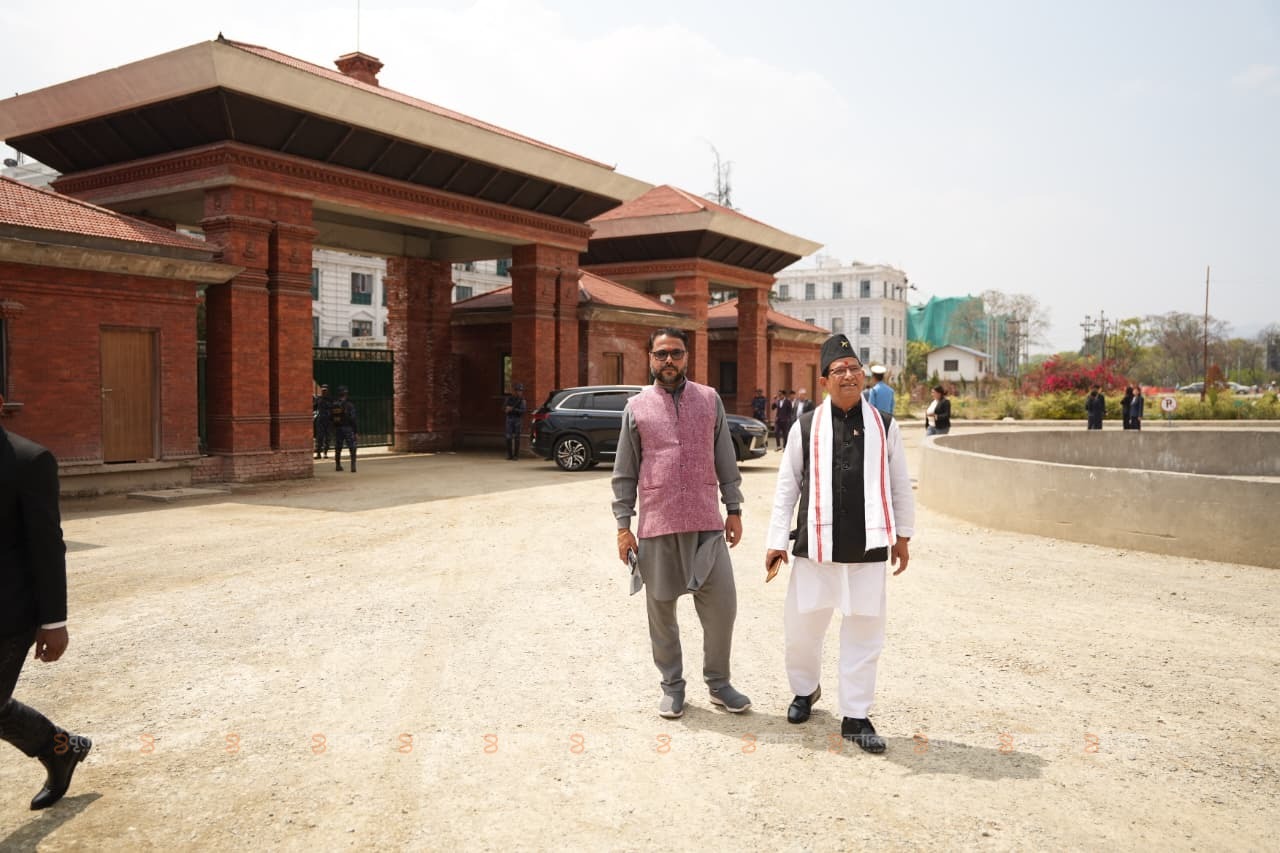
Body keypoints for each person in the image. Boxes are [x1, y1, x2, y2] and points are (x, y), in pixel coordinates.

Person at [764, 335, 915, 753]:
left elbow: (900, 485)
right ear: (824, 381)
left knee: (865, 632)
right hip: (815, 546)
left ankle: (856, 714)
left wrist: (903, 536)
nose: (849, 375)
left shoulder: (886, 425)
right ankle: (804, 690)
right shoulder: (806, 426)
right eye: (839, 369)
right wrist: (776, 540)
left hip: (868, 547)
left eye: (854, 368)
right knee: (802, 628)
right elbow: (787, 486)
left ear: (863, 376)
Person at [612, 327, 750, 719]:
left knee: (722, 608)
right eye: (661, 354)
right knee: (661, 614)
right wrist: (623, 526)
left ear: (686, 356)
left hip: (707, 524)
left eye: (675, 353)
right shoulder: (636, 407)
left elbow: (725, 457)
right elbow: (625, 472)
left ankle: (719, 684)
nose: (668, 360)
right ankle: (672, 687)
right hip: (658, 523)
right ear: (650, 358)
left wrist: (734, 508)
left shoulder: (709, 399)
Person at [0, 392, 92, 809]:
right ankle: (61, 748)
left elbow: (47, 545)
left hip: (9, 613)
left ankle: (59, 749)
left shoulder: (29, 461)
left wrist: (54, 621)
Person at [331, 386, 358, 472]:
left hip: (338, 428)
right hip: (348, 428)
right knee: (352, 446)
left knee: (338, 447)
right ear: (346, 394)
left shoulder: (334, 405)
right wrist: (355, 431)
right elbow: (353, 418)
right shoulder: (349, 405)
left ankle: (338, 465)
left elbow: (331, 417)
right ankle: (353, 466)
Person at [502, 383, 527, 461]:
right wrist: (506, 409)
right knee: (508, 437)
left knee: (517, 437)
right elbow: (503, 407)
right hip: (509, 418)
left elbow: (523, 411)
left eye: (520, 391)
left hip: (517, 419)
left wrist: (513, 409)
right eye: (518, 390)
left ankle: (516, 455)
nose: (519, 392)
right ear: (515, 391)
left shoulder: (522, 400)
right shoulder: (509, 398)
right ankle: (510, 455)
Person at [313, 383, 333, 459]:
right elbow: (314, 407)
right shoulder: (319, 399)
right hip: (320, 420)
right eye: (323, 390)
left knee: (327, 438)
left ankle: (325, 453)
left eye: (325, 390)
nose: (324, 392)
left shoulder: (331, 400)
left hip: (328, 420)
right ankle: (318, 453)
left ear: (328, 391)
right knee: (319, 437)